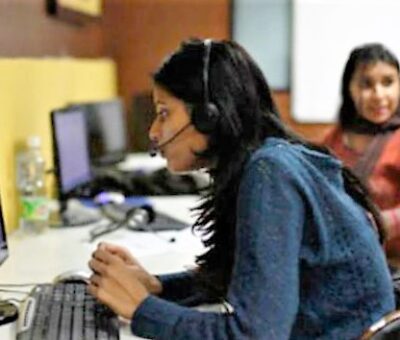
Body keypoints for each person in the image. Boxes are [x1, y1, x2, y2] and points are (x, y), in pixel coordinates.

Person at [88, 38, 395, 339]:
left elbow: (253, 334)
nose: (154, 131)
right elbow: (248, 277)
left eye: (164, 113)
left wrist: (142, 309)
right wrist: (158, 287)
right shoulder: (268, 160)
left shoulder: (269, 172)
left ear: (208, 116)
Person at [323, 43, 400, 261]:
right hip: (344, 260)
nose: (379, 94)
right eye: (366, 84)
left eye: (388, 82)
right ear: (350, 88)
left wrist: (374, 223)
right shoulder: (335, 138)